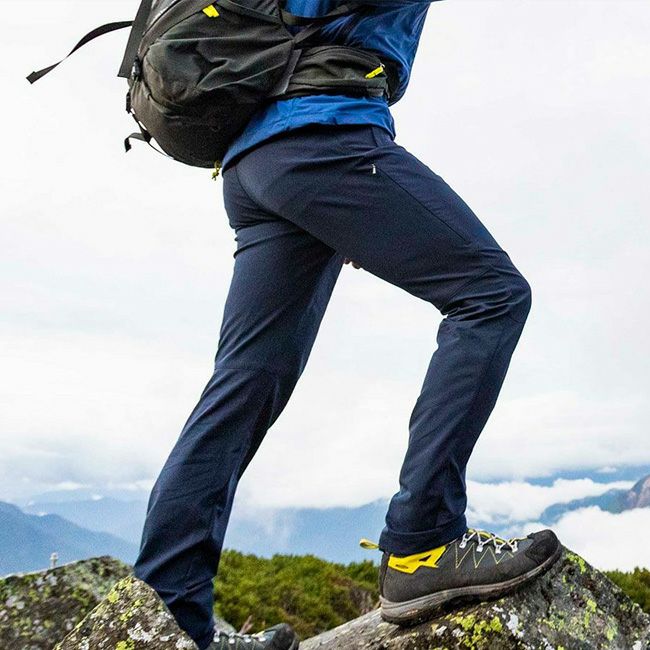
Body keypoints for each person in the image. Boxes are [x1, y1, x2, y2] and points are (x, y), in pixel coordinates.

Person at [133, 1, 561, 648]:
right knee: (492, 297)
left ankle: (173, 618)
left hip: (259, 161)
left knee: (245, 381)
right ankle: (422, 544)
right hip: (321, 136)